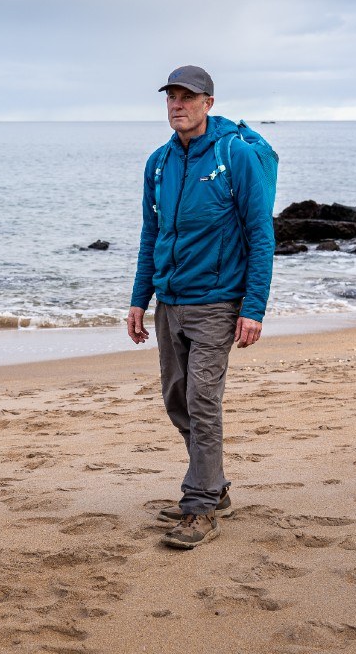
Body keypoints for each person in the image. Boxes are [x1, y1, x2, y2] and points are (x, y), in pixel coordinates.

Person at [126, 65, 274, 549]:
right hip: (169, 302)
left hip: (217, 303)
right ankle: (214, 485)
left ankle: (200, 507)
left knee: (203, 400)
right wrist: (138, 300)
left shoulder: (234, 156)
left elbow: (260, 234)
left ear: (208, 103)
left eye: (187, 97)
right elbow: (153, 234)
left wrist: (253, 308)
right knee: (177, 400)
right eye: (171, 97)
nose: (177, 105)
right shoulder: (159, 163)